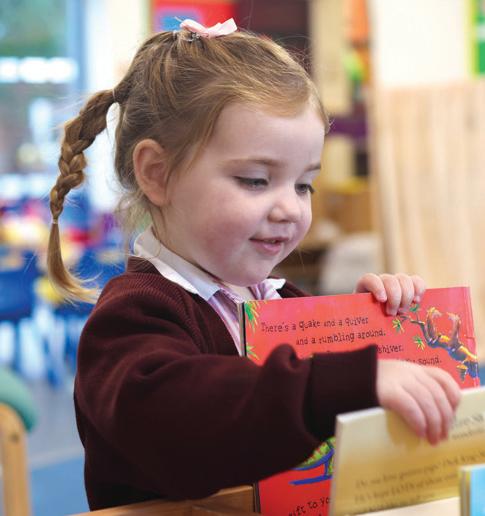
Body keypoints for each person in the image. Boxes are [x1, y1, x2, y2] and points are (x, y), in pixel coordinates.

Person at [46, 18, 461, 510]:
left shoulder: (280, 303)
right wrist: (345, 381)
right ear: (158, 174)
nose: (290, 208)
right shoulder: (132, 316)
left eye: (303, 184)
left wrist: (372, 329)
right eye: (256, 180)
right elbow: (184, 423)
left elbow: (317, 408)